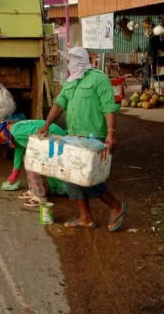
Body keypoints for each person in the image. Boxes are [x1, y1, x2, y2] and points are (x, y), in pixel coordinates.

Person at [37, 46, 127, 232]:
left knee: (89, 177)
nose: (68, 63)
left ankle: (115, 205)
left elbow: (108, 107)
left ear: (80, 60)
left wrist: (112, 131)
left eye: (70, 60)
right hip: (73, 135)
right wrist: (46, 124)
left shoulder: (98, 78)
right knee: (71, 177)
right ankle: (85, 217)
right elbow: (59, 104)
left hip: (94, 137)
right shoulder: (70, 82)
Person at [0, 118, 68, 208]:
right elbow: (18, 152)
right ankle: (34, 189)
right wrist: (15, 173)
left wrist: (36, 156)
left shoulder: (16, 131)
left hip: (55, 136)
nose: (2, 142)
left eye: (0, 139)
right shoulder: (15, 134)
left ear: (2, 131)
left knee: (31, 160)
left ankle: (40, 196)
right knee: (28, 158)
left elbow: (39, 132)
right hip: (49, 137)